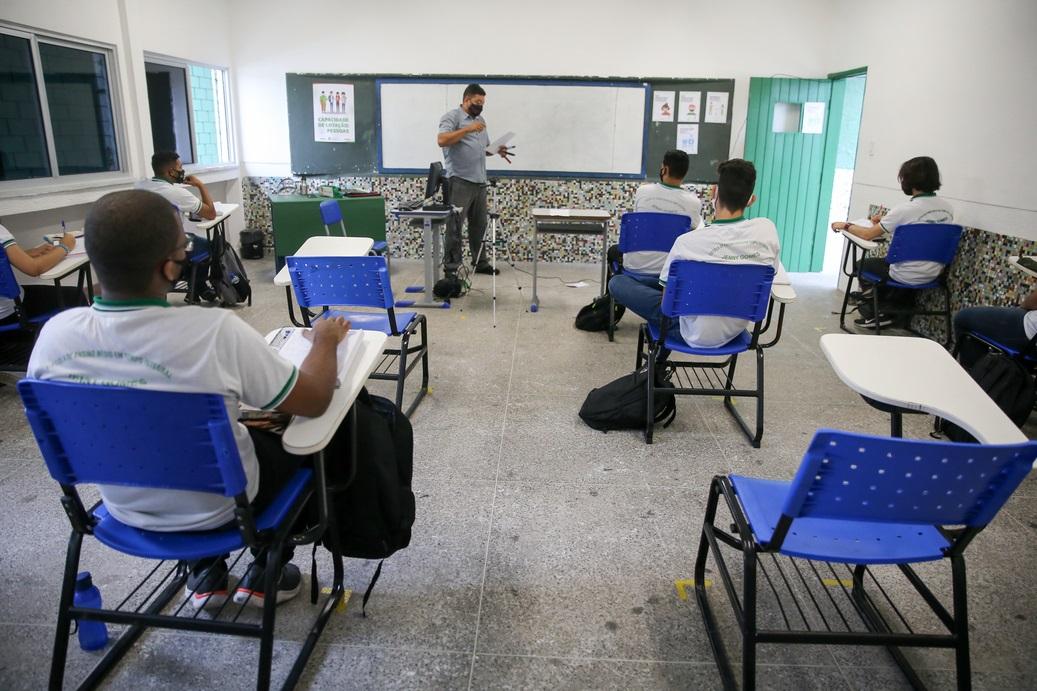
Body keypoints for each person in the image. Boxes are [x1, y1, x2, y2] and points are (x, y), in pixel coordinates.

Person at [27, 189, 353, 611]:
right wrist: (324, 340)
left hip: (123, 507)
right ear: (169, 267)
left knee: (155, 438)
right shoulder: (215, 331)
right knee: (305, 442)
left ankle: (205, 573)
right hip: (225, 509)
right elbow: (314, 400)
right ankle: (267, 567)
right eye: (183, 249)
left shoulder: (54, 336)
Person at [609, 158, 779, 354]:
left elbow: (667, 303)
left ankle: (657, 361)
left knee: (618, 283)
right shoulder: (767, 232)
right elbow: (770, 274)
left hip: (688, 332)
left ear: (714, 193)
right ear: (751, 200)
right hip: (734, 331)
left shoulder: (688, 242)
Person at [831, 156, 954, 329]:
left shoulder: (905, 209)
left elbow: (867, 235)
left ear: (908, 180)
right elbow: (924, 228)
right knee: (896, 266)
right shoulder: (948, 208)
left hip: (903, 274)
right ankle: (892, 310)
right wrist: (886, 220)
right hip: (934, 274)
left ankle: (878, 310)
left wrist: (845, 225)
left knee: (862, 265)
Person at [437, 83, 512, 278]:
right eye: (477, 102)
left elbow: (483, 149)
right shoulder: (452, 117)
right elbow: (442, 140)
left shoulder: (480, 120)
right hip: (459, 180)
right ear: (466, 100)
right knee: (455, 226)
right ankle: (451, 268)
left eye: (483, 103)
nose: (480, 106)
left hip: (479, 181)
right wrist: (468, 129)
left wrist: (497, 150)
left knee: (479, 226)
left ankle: (480, 262)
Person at [136, 151, 218, 299]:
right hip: (171, 246)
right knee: (212, 246)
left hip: (145, 245)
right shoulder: (177, 193)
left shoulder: (140, 186)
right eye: (180, 167)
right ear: (171, 171)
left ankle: (194, 285)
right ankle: (197, 287)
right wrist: (200, 185)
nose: (182, 171)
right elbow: (211, 213)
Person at [620, 149, 703, 284]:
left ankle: (620, 296)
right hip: (670, 272)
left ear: (665, 169)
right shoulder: (694, 202)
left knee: (613, 258)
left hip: (636, 268)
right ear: (685, 173)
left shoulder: (642, 192)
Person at [1, 222, 84, 326]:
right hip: (10, 312)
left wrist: (24, 255)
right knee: (76, 295)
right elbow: (34, 268)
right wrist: (65, 246)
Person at [953, 290, 1037, 369]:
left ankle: (972, 374)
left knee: (962, 319)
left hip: (1030, 334)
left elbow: (1033, 301)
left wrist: (1022, 306)